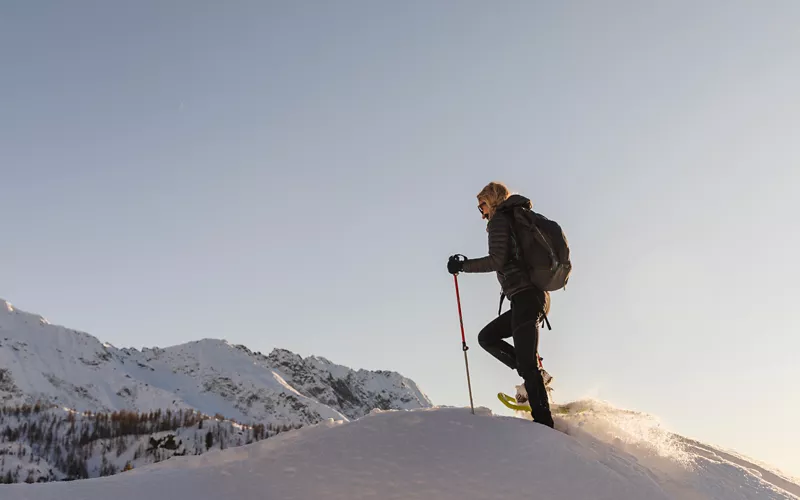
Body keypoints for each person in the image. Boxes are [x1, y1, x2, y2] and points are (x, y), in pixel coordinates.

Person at [447, 181, 554, 428]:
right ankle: (537, 376)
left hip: (527, 298)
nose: (481, 211)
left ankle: (544, 425)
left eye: (482, 205)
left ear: (492, 201)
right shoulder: (512, 220)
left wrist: (463, 266)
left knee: (525, 364)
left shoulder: (499, 221)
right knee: (488, 337)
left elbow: (497, 260)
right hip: (529, 298)